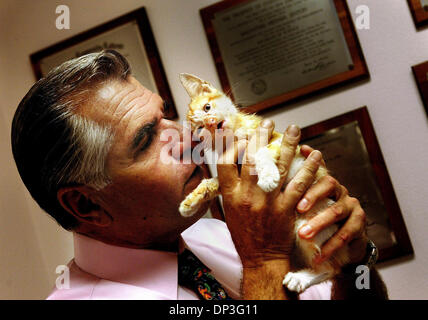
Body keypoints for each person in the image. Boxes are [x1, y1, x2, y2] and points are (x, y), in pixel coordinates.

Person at [11, 50, 387, 300]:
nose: (188, 138)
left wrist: (352, 264)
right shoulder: (254, 243)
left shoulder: (215, 233)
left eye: (167, 115)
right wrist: (264, 264)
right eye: (146, 139)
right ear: (85, 203)